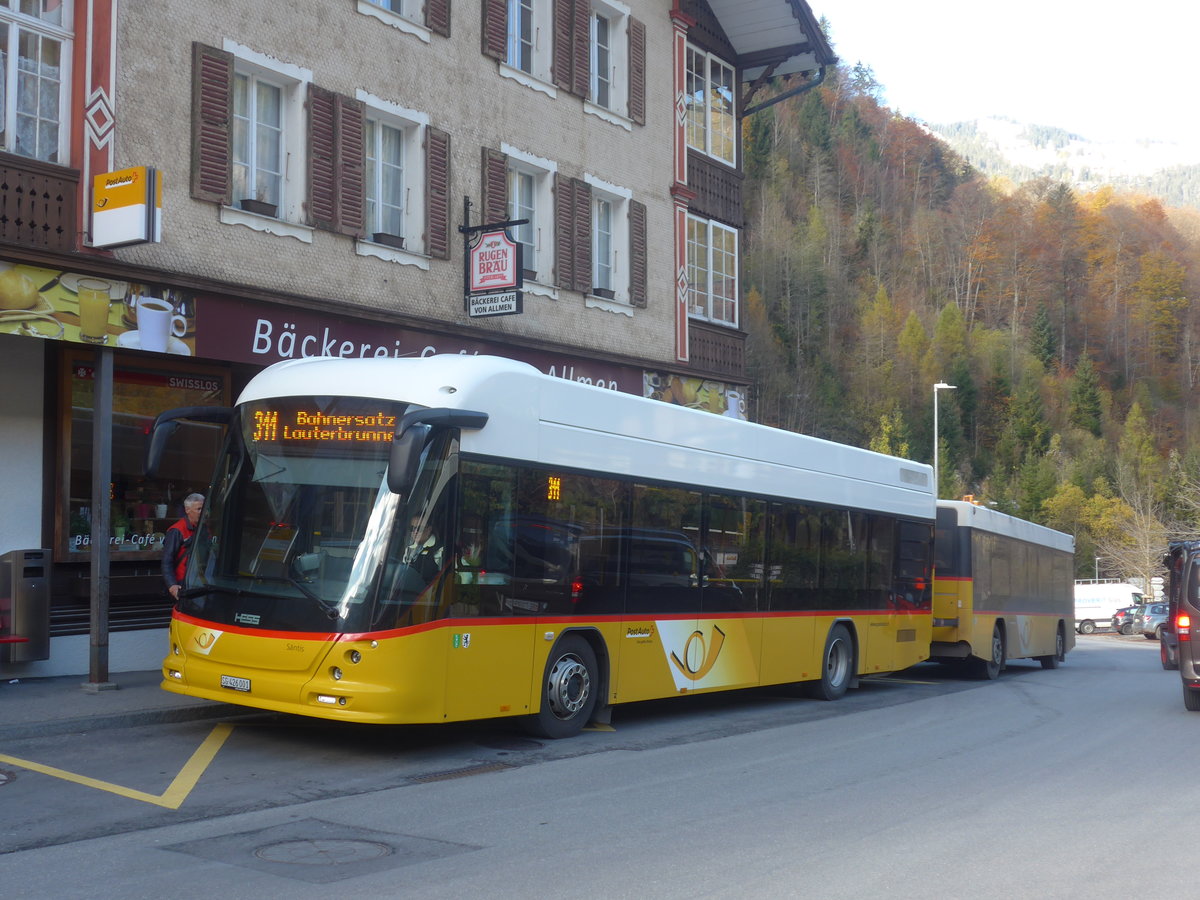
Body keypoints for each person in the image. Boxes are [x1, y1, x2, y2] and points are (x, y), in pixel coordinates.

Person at [162, 493, 204, 601]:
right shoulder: (176, 530)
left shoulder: (204, 528)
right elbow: (167, 560)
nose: (203, 512)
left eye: (204, 509)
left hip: (201, 582)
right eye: (199, 509)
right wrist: (172, 586)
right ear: (187, 510)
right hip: (183, 584)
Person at [405, 516, 443, 583]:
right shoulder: (408, 549)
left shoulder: (440, 550)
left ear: (429, 529)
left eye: (419, 528)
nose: (415, 532)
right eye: (412, 528)